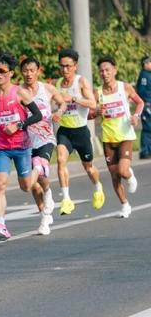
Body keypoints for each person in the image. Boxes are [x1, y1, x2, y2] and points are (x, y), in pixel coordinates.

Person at [0, 51, 44, 241]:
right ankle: (1, 224)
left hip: (21, 146)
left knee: (26, 186)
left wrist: (18, 125)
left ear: (10, 73)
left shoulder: (20, 92)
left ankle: (39, 167)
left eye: (2, 71)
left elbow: (37, 115)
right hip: (2, 146)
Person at [20, 56, 67, 236]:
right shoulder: (18, 92)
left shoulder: (47, 89)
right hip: (25, 142)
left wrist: (59, 111)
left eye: (32, 70)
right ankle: (44, 216)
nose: (28, 74)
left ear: (38, 71)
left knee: (40, 167)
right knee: (33, 184)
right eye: (25, 70)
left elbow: (62, 102)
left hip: (46, 139)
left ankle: (48, 194)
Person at [55, 47, 104, 214]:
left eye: (68, 66)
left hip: (81, 131)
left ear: (75, 65)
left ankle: (98, 188)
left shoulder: (81, 81)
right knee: (61, 160)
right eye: (62, 66)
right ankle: (67, 200)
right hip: (64, 131)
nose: (65, 69)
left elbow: (93, 104)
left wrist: (74, 98)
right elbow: (55, 103)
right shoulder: (57, 84)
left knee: (89, 167)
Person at [94, 54, 144, 218]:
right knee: (114, 176)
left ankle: (130, 176)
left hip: (125, 136)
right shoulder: (98, 93)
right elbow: (88, 115)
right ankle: (125, 204)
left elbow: (140, 102)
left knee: (123, 170)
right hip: (108, 139)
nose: (104, 73)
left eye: (107, 70)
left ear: (114, 70)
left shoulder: (125, 88)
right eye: (101, 71)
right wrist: (96, 112)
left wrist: (136, 116)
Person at [136, 55, 151, 159]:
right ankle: (144, 151)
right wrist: (146, 103)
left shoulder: (148, 75)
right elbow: (142, 91)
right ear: (145, 64)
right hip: (147, 105)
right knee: (147, 128)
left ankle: (148, 150)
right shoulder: (144, 76)